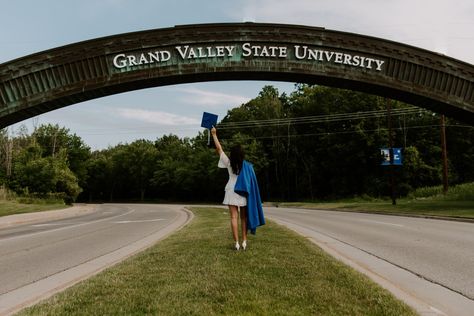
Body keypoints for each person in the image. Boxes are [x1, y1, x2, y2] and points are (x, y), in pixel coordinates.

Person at [211, 127, 248, 251]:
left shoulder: (228, 163)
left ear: (232, 155)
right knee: (243, 218)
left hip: (231, 190)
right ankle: (244, 242)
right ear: (242, 155)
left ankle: (236, 243)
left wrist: (214, 134)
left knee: (233, 217)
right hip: (242, 191)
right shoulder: (246, 166)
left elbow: (219, 149)